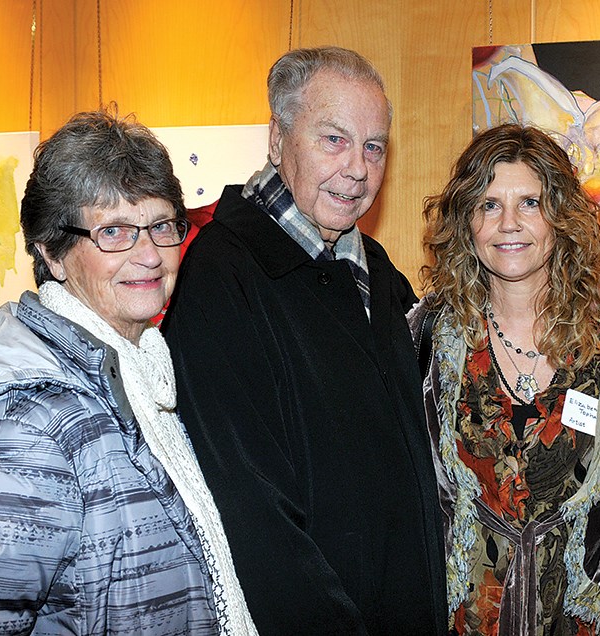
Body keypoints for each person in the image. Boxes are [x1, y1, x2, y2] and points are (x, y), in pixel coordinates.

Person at [162, 47, 447, 634]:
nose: (358, 169)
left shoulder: (376, 272)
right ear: (276, 140)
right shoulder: (221, 275)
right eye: (334, 139)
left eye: (374, 146)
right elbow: (249, 508)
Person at [409, 124, 600, 636]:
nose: (509, 225)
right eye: (489, 204)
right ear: (465, 220)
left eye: (530, 203)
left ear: (561, 217)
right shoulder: (428, 336)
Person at [0, 110, 257, 634]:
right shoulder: (35, 422)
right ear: (53, 253)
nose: (149, 255)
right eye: (114, 230)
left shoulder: (146, 373)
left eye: (161, 226)